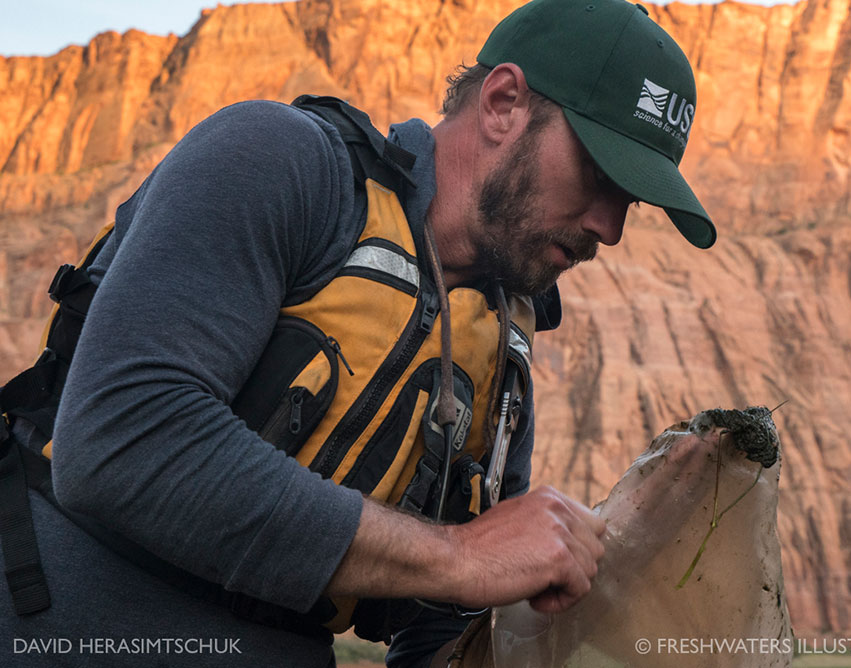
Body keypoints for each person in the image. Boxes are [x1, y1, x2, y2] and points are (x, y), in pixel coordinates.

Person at [0, 0, 715, 665]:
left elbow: (439, 617)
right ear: (503, 104)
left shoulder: (505, 350)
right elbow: (120, 439)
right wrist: (461, 554)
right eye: (599, 172)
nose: (610, 228)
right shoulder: (280, 161)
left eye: (630, 200)